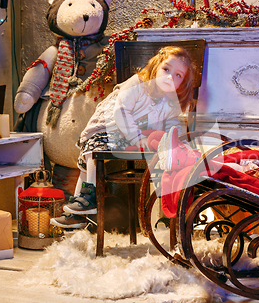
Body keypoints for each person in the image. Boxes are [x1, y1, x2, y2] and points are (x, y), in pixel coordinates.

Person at [50, 46, 196, 228]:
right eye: (166, 69)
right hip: (109, 126)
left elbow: (175, 125)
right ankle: (86, 199)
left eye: (178, 76)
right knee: (93, 154)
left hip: (137, 134)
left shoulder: (172, 101)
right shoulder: (138, 83)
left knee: (165, 153)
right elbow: (121, 111)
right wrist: (136, 138)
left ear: (183, 83)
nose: (170, 77)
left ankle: (170, 208)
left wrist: (178, 143)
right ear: (157, 66)